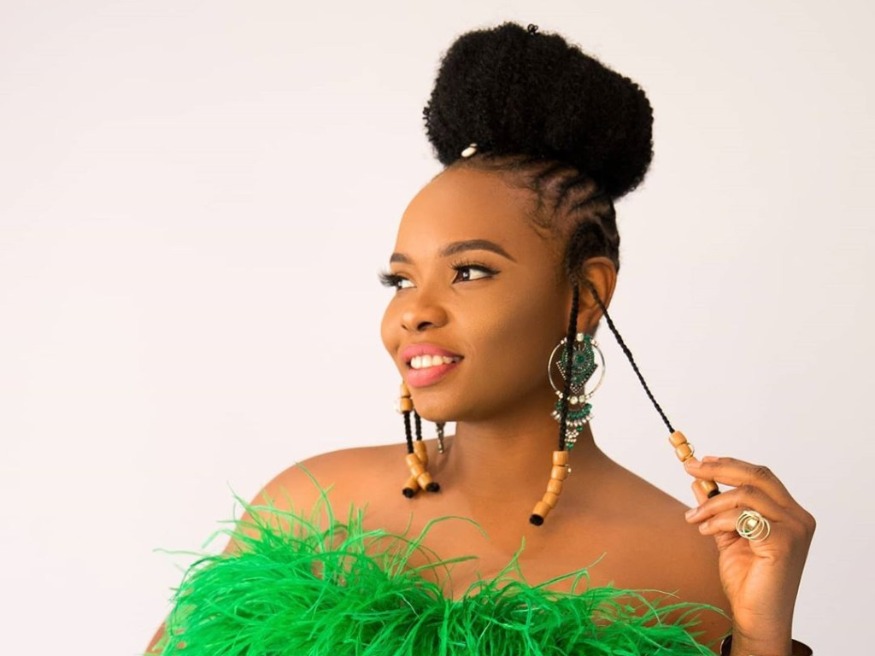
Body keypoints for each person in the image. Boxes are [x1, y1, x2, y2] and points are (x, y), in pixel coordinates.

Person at [146, 22, 814, 655]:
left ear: (586, 294)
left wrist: (761, 635)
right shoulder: (304, 508)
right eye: (401, 279)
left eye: (469, 271)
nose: (414, 311)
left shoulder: (697, 564)